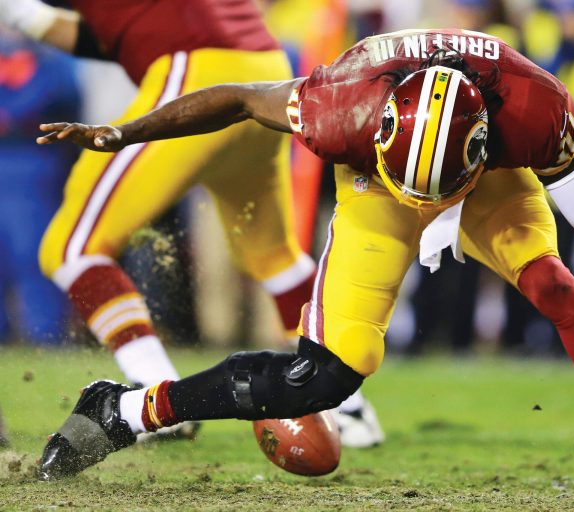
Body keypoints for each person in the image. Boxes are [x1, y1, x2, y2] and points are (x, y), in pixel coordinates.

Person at [34, 28, 574, 498]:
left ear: (487, 136)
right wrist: (124, 131)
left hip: (486, 181)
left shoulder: (533, 109)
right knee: (315, 381)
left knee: (555, 282)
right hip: (378, 183)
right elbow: (238, 100)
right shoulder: (342, 104)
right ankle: (125, 408)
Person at [0, 0, 382, 444]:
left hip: (196, 70)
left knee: (71, 247)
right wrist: (21, 14)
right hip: (263, 72)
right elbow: (116, 35)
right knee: (271, 254)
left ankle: (154, 392)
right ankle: (350, 408)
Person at [0, 29, 79, 346]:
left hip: (32, 160)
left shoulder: (49, 59)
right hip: (11, 158)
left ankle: (46, 337)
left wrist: (10, 115)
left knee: (32, 253)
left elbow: (63, 95)